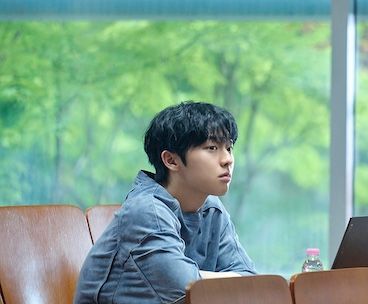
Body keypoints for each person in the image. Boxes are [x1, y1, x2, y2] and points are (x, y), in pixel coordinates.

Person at [74, 101, 256, 303]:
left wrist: (207, 279)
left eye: (229, 148)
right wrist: (231, 281)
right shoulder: (146, 211)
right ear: (171, 160)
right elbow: (185, 288)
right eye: (212, 148)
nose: (227, 159)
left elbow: (251, 280)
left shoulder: (212, 209)